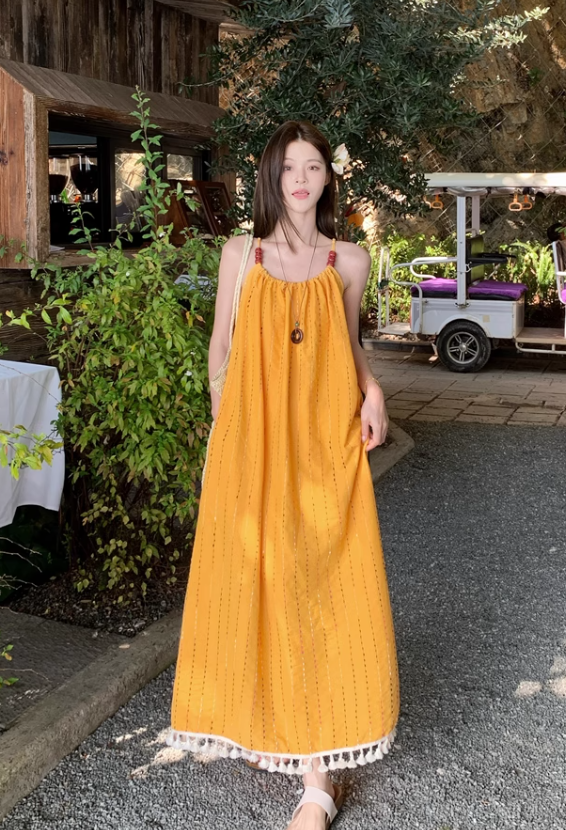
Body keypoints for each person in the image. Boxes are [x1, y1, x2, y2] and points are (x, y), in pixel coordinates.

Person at [166, 121, 400, 830]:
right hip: (253, 445)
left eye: (313, 166)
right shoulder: (242, 254)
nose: (301, 179)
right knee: (256, 586)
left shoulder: (349, 259)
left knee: (327, 587)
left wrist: (373, 390)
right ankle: (270, 729)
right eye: (289, 167)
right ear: (272, 176)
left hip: (324, 442)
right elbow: (220, 350)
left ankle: (318, 779)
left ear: (328, 177)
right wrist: (228, 431)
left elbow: (348, 342)